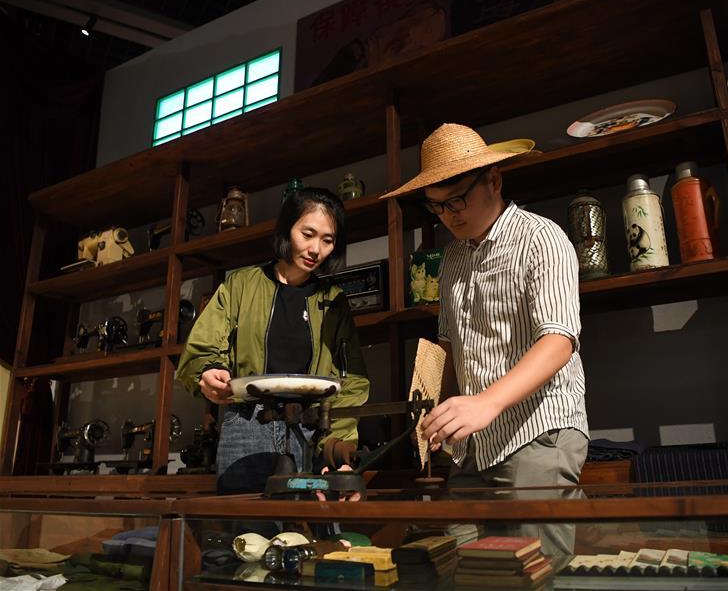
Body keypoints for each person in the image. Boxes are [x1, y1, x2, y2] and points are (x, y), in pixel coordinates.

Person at [382, 123, 589, 556]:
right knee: (460, 565)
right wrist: (439, 415)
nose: (450, 214)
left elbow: (558, 340)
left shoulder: (541, 237)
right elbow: (452, 349)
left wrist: (484, 403)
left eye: (458, 198)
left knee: (536, 570)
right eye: (437, 206)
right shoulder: (452, 259)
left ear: (494, 180)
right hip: (472, 447)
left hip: (537, 431)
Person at [176, 187, 370, 495]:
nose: (315, 249)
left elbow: (351, 381)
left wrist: (336, 448)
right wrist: (208, 371)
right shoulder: (240, 285)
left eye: (327, 240)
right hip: (247, 424)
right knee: (244, 534)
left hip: (311, 426)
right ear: (286, 228)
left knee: (307, 536)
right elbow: (203, 347)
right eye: (307, 234)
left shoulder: (334, 302)